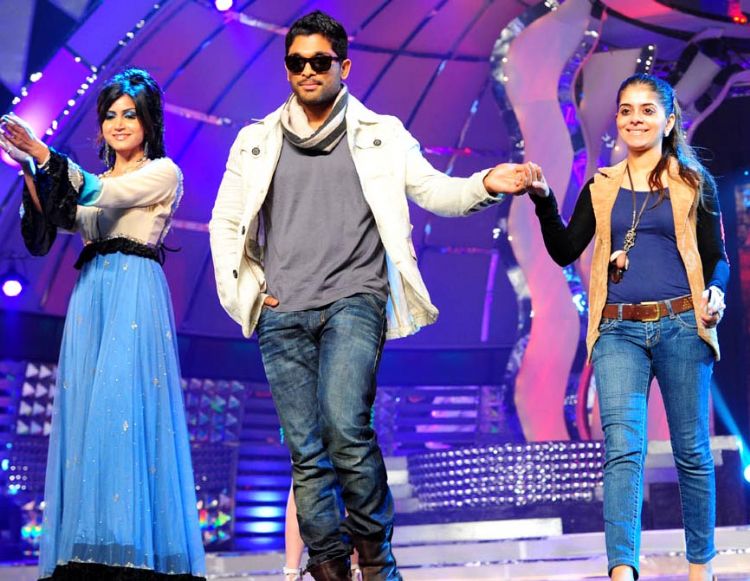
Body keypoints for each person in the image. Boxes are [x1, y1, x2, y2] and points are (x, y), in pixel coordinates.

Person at [209, 10, 531, 581]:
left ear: (344, 67)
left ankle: (378, 564)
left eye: (319, 61)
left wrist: (485, 184)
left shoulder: (381, 134)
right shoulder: (255, 141)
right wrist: (249, 297)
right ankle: (329, 569)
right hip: (283, 312)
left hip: (354, 301)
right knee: (307, 452)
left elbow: (435, 191)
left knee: (345, 429)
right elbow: (225, 224)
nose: (307, 71)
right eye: (296, 62)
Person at [0, 68, 206, 580]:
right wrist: (30, 168)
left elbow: (103, 197)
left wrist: (44, 154)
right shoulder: (97, 182)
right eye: (110, 114)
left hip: (134, 291)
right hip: (92, 293)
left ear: (148, 120)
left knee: (124, 409)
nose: (118, 123)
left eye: (129, 114)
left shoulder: (163, 173)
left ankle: (132, 555)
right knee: (89, 415)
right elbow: (66, 220)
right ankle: (90, 551)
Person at [526, 73, 728, 581]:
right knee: (622, 451)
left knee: (692, 452)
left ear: (669, 121)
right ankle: (622, 571)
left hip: (682, 325)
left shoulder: (694, 183)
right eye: (626, 110)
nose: (635, 119)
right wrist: (545, 199)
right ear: (617, 119)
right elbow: (565, 250)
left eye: (646, 110)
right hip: (617, 331)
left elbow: (716, 257)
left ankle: (700, 569)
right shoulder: (601, 186)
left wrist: (716, 291)